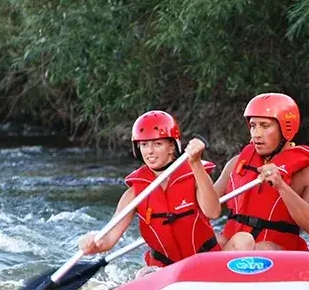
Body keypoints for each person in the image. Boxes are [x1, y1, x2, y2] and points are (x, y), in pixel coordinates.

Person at [79, 110, 220, 274]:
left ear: (172, 147)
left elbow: (213, 211)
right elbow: (109, 238)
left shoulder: (195, 175)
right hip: (163, 269)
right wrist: (93, 244)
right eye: (144, 145)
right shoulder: (134, 193)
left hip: (204, 260)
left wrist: (195, 163)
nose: (149, 151)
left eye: (157, 144)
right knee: (143, 274)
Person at [214, 93, 309, 251]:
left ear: (285, 129)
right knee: (218, 240)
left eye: (265, 125)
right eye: (253, 126)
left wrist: (281, 185)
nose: (257, 134)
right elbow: (208, 210)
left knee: (262, 246)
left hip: (277, 256)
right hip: (234, 247)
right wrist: (195, 168)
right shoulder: (237, 163)